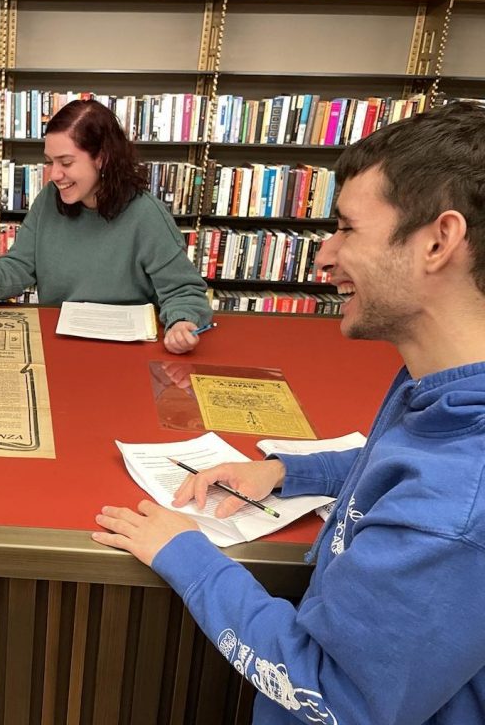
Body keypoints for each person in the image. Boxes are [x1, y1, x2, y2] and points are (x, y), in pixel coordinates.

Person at [93, 101, 485, 724]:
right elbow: (400, 466)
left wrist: (188, 555)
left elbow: (335, 695)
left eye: (348, 229)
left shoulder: (456, 501)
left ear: (439, 241)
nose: (324, 257)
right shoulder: (443, 391)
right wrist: (287, 472)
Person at [0, 99, 212, 354]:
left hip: (129, 354)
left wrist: (181, 323)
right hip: (62, 348)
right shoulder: (48, 201)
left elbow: (183, 291)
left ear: (102, 158)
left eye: (66, 162)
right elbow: (19, 266)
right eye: (50, 162)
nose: (54, 174)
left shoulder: (146, 214)